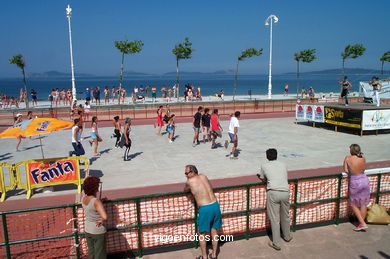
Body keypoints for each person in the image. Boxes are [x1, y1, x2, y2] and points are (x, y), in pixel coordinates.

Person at [184, 165, 222, 259]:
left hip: (205, 208)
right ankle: (213, 255)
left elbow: (185, 190)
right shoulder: (204, 176)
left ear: (193, 172)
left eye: (186, 173)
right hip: (215, 205)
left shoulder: (189, 181)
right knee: (214, 231)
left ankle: (204, 256)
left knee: (201, 234)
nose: (185, 175)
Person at [257, 148, 292, 251]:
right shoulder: (283, 164)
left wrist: (259, 177)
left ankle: (276, 243)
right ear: (276, 155)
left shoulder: (264, 165)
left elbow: (263, 178)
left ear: (267, 157)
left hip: (273, 192)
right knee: (285, 216)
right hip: (285, 192)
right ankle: (287, 236)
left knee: (274, 219)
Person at [343, 144, 370, 231]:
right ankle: (361, 223)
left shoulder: (347, 158)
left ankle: (362, 223)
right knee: (363, 203)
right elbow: (363, 169)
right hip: (364, 180)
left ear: (351, 151)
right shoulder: (363, 158)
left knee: (353, 204)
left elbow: (346, 170)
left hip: (355, 181)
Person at [82, 176, 107, 259]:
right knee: (100, 254)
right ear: (94, 188)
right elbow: (105, 216)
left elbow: (91, 207)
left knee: (91, 252)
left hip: (88, 229)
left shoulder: (83, 198)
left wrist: (99, 202)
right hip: (97, 230)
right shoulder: (96, 201)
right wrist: (101, 220)